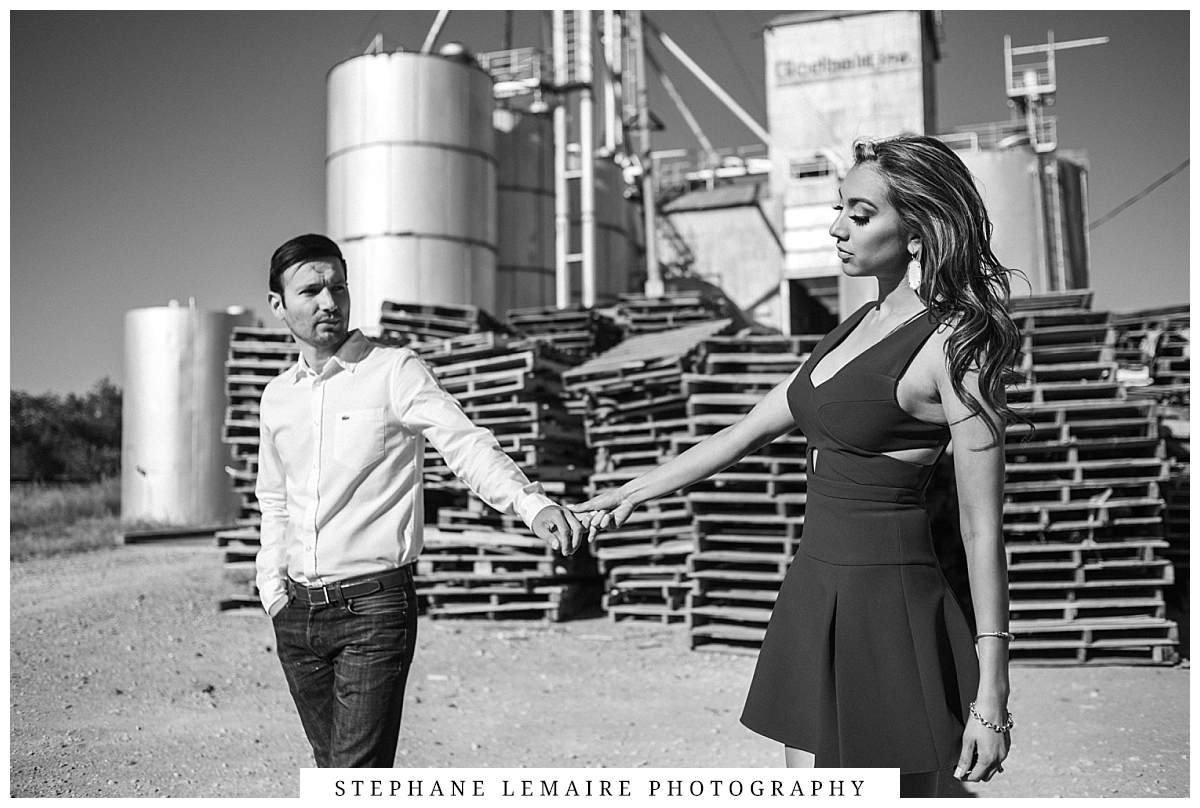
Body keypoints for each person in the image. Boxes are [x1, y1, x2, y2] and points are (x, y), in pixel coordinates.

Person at [574, 134, 1019, 797]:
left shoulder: (955, 346)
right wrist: (630, 492)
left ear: (918, 232)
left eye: (859, 215)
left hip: (886, 607)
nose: (837, 228)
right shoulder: (851, 327)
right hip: (813, 588)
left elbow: (983, 530)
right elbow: (743, 431)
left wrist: (992, 692)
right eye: (840, 208)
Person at [255, 233, 585, 767]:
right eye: (311, 291)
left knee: (355, 780)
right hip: (297, 615)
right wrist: (272, 589)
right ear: (278, 305)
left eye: (338, 287)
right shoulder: (277, 398)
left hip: (372, 609)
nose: (329, 302)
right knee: (332, 771)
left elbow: (465, 444)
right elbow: (274, 498)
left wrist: (531, 504)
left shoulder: (393, 370)